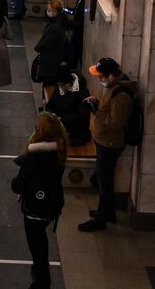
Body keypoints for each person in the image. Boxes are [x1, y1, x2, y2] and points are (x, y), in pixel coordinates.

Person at [78, 57, 135, 232]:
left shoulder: (122, 95)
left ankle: (102, 219)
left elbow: (115, 123)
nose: (99, 79)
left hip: (110, 143)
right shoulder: (112, 88)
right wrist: (97, 103)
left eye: (101, 76)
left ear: (111, 75)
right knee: (104, 179)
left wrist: (96, 111)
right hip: (104, 140)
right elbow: (107, 110)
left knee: (105, 181)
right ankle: (107, 211)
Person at [11, 112, 67, 289]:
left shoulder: (35, 155)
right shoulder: (60, 150)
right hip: (53, 203)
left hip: (35, 207)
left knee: (37, 247)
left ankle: (41, 282)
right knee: (40, 240)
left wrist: (17, 185)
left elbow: (19, 183)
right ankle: (39, 272)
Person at [44, 68, 92, 146]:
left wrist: (62, 119)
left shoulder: (82, 93)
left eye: (62, 85)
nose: (61, 88)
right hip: (61, 128)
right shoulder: (60, 87)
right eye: (59, 85)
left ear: (70, 83)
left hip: (77, 133)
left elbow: (83, 116)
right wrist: (52, 115)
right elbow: (50, 105)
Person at [33, 0, 67, 101]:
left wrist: (37, 47)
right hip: (53, 59)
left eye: (50, 10)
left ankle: (48, 106)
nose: (48, 12)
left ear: (56, 12)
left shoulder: (55, 27)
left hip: (50, 62)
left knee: (49, 86)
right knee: (48, 85)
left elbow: (46, 42)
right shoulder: (58, 23)